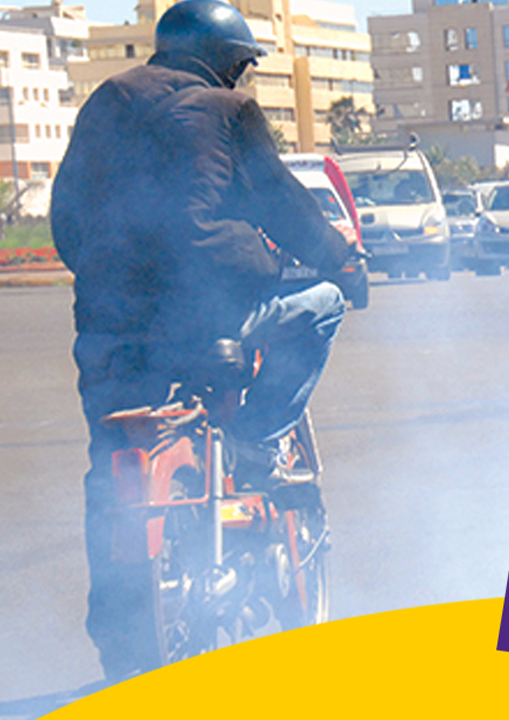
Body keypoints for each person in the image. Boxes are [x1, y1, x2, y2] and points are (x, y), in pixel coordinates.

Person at [50, 0, 351, 681]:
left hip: (111, 329)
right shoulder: (228, 111)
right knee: (322, 307)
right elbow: (279, 201)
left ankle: (120, 630)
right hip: (208, 319)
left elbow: (66, 215)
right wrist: (339, 259)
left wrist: (109, 278)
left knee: (112, 472)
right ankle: (257, 441)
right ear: (222, 60)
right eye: (240, 64)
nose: (241, 77)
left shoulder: (107, 103)